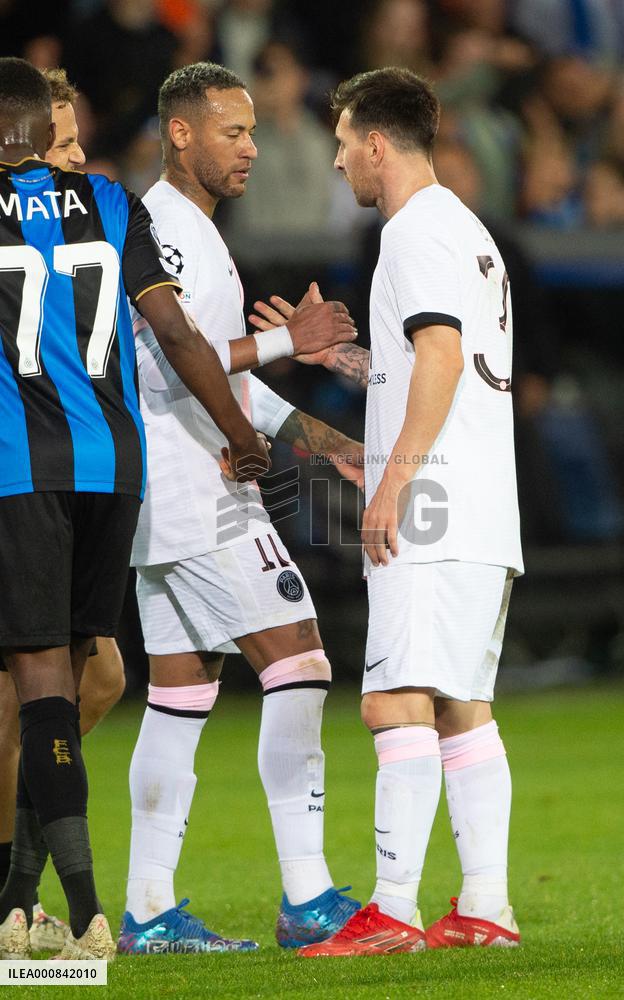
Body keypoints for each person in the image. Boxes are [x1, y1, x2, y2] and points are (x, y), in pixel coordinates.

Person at [0, 54, 284, 963]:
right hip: (113, 468)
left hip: (19, 466)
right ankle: (19, 900)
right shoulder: (115, 203)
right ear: (46, 128)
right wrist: (241, 433)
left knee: (41, 686)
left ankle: (80, 915)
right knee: (87, 677)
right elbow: (174, 330)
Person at [118, 62, 363, 956]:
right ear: (180, 133)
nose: (252, 148)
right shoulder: (166, 233)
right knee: (298, 659)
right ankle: (310, 900)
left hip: (171, 491)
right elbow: (164, 363)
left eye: (254, 131)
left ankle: (147, 909)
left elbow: (221, 373)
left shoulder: (197, 234)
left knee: (181, 694)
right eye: (233, 131)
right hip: (194, 487)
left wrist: (336, 449)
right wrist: (282, 340)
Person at [283, 66, 523, 955]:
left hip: (435, 503)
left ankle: (390, 909)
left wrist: (393, 483)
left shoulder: (414, 232)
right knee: (462, 706)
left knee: (392, 700)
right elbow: (434, 363)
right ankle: (487, 907)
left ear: (375, 143)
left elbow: (440, 358)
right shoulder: (464, 228)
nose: (338, 158)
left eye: (343, 142)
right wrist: (344, 363)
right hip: (481, 504)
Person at [0, 67, 127, 955]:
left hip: (48, 468)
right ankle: (48, 909)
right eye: (63, 144)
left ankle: (17, 901)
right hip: (70, 464)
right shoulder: (113, 213)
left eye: (79, 142)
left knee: (78, 681)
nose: (76, 158)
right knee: (31, 695)